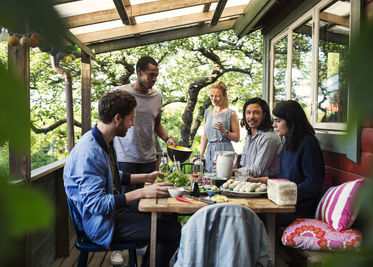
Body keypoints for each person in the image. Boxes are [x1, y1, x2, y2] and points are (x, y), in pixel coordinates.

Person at [63, 90, 181, 267]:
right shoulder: (89, 153)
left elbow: (110, 176)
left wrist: (147, 177)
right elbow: (96, 205)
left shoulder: (103, 140)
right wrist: (142, 192)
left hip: (112, 215)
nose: (132, 124)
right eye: (131, 119)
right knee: (173, 231)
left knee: (169, 215)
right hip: (100, 224)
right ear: (118, 118)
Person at [113, 56, 177, 191]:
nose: (154, 79)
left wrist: (167, 138)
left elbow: (156, 123)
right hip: (125, 158)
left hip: (149, 159)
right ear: (139, 72)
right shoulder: (120, 93)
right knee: (129, 204)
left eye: (156, 76)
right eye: (151, 75)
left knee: (149, 199)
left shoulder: (157, 96)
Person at [272, 100, 325, 226]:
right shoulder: (288, 144)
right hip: (283, 204)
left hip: (299, 210)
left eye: (278, 121)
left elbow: (314, 184)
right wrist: (260, 181)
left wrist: (284, 193)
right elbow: (283, 178)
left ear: (291, 120)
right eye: (274, 121)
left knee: (255, 215)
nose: (274, 125)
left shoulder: (308, 143)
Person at [198, 81, 240, 173]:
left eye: (217, 96)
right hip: (210, 152)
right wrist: (200, 155)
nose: (214, 99)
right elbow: (205, 136)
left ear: (224, 96)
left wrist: (224, 131)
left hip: (225, 153)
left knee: (224, 180)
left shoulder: (231, 113)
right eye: (211, 96)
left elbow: (237, 138)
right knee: (211, 181)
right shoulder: (207, 113)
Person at [238, 97, 282, 179]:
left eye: (256, 113)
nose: (251, 117)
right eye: (248, 113)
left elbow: (256, 172)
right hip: (248, 184)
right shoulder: (250, 135)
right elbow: (244, 164)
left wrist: (231, 170)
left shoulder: (269, 138)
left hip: (266, 187)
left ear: (264, 115)